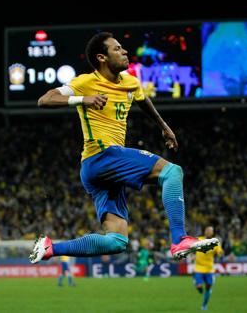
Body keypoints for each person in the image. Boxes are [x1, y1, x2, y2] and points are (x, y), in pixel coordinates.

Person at [30, 32, 218, 264]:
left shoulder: (130, 81)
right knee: (172, 172)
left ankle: (51, 248)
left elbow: (142, 100)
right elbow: (45, 99)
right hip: (102, 156)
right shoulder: (86, 82)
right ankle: (179, 239)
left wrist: (164, 126)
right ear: (102, 57)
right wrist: (82, 100)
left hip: (98, 171)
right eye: (117, 49)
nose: (125, 51)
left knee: (117, 241)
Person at [193, 226, 223, 311]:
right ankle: (198, 287)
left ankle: (204, 305)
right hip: (199, 268)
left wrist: (220, 253)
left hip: (209, 269)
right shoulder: (199, 239)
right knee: (199, 286)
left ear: (213, 233)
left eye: (211, 230)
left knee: (208, 287)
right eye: (208, 230)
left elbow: (219, 251)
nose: (209, 232)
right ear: (205, 231)